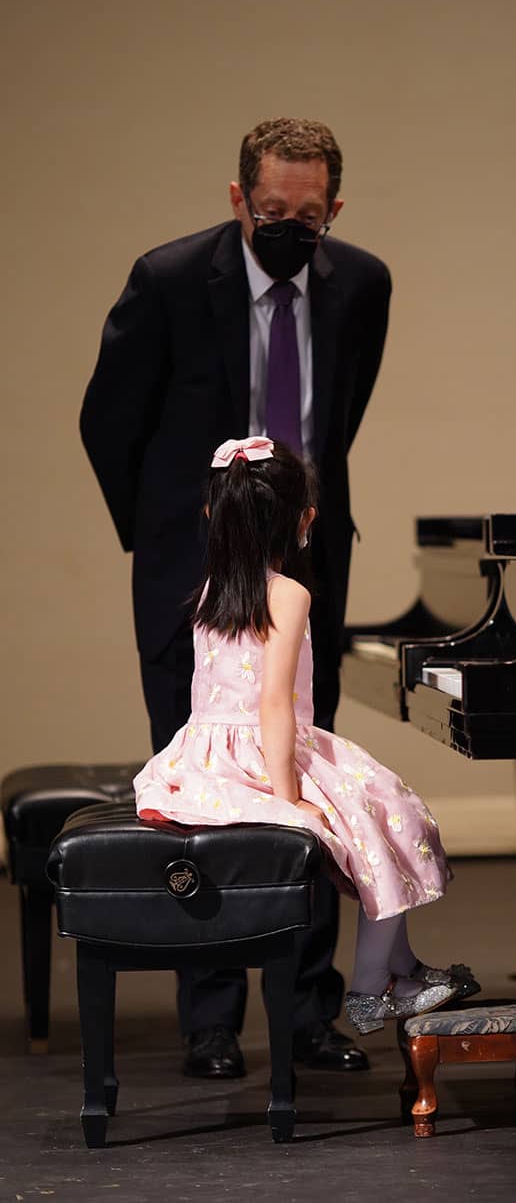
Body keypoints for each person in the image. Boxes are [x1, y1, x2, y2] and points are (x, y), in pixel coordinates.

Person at [81, 117, 391, 1076]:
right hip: (192, 581)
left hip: (305, 572)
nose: (289, 226)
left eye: (308, 215)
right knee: (206, 799)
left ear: (333, 210)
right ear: (236, 200)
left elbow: (336, 418)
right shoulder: (171, 281)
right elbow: (108, 422)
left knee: (307, 789)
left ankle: (306, 1015)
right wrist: (176, 545)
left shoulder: (363, 285)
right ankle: (210, 1024)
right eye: (270, 212)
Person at [133, 437, 478, 1032]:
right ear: (305, 522)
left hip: (205, 758)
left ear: (216, 515)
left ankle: (401, 967)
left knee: (375, 809)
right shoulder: (289, 594)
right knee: (392, 812)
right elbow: (272, 702)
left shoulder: (211, 590)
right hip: (267, 754)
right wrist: (288, 797)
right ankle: (373, 986)